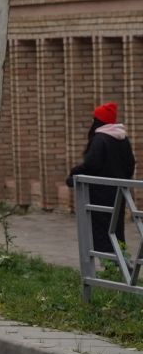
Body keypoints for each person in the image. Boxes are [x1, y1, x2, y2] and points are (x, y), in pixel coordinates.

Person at [69, 101, 133, 256]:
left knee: (103, 232)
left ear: (98, 121)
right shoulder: (122, 139)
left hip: (100, 195)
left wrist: (73, 173)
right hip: (119, 193)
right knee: (117, 229)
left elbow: (91, 164)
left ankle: (110, 267)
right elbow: (130, 165)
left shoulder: (100, 139)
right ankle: (120, 263)